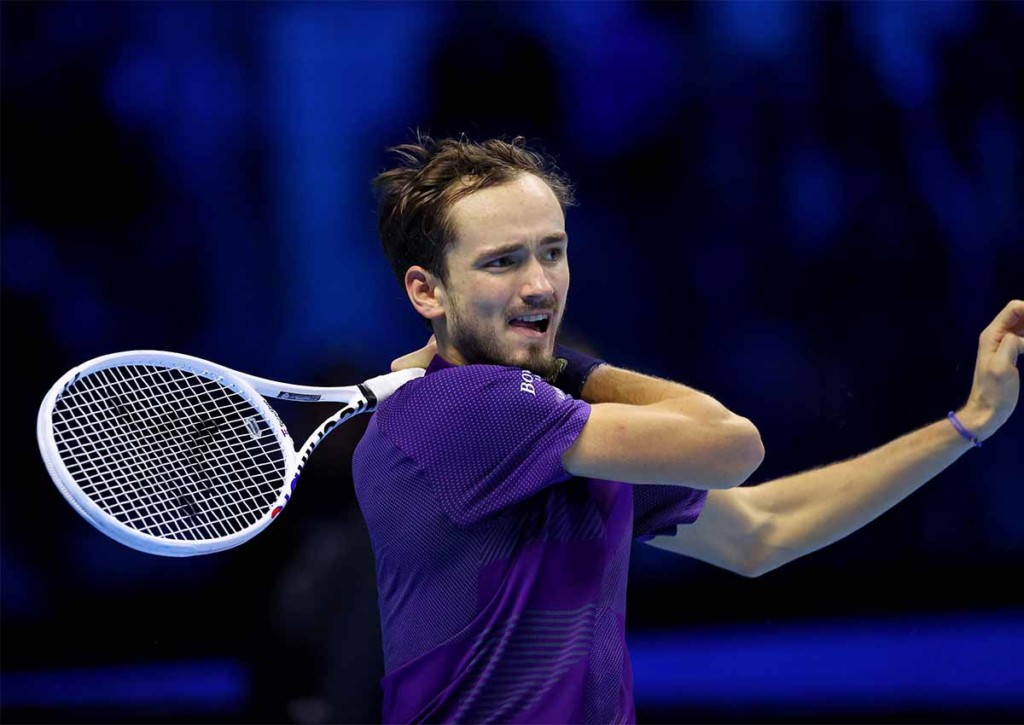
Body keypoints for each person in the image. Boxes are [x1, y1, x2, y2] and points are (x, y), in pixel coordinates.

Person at [352, 135, 1022, 723]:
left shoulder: (549, 436)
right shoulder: (464, 405)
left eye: (552, 252)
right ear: (427, 291)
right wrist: (570, 367)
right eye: (502, 262)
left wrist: (967, 425)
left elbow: (761, 530)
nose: (541, 286)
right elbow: (733, 444)